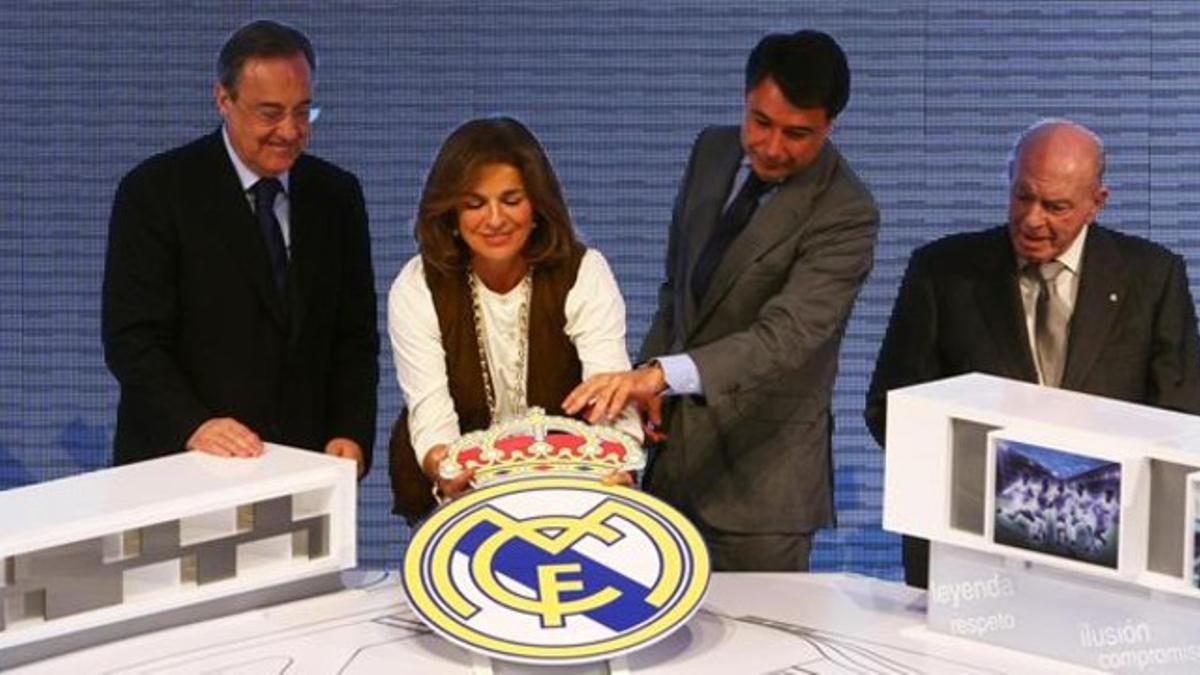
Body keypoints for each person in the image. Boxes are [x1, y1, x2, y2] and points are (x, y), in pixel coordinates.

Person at [563, 30, 880, 571]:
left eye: (798, 133)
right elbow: (677, 291)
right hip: (670, 462)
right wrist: (648, 378)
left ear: (831, 126)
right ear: (744, 98)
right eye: (761, 122)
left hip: (761, 487)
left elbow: (784, 338)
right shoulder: (712, 151)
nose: (773, 146)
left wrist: (664, 374)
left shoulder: (847, 213)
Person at [865, 118, 1200, 587]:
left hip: (1104, 553)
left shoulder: (1153, 278)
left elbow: (1179, 421)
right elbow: (890, 410)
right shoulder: (942, 272)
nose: (1032, 219)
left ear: (1096, 203)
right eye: (1023, 196)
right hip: (967, 551)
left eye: (1056, 206)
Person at [102, 20, 378, 475]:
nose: (290, 131)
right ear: (223, 100)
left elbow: (353, 339)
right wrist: (196, 425)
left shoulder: (336, 195)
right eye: (270, 113)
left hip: (303, 469)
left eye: (303, 111)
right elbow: (133, 341)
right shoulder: (155, 192)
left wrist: (349, 433)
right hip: (179, 467)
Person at [387, 117, 641, 522]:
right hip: (458, 501)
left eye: (511, 200)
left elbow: (608, 388)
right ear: (451, 211)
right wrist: (447, 469)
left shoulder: (585, 271)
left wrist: (617, 462)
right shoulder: (417, 285)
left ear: (537, 204)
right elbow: (430, 413)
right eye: (474, 203)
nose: (494, 219)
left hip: (573, 495)